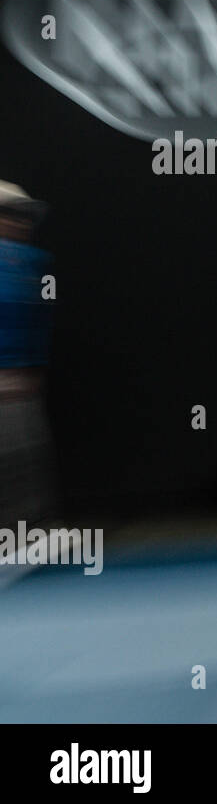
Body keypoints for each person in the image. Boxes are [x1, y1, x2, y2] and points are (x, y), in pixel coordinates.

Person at [0, 181, 56, 539]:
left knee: (27, 456)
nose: (21, 222)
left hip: (20, 389)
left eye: (25, 215)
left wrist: (30, 372)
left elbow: (37, 324)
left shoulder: (35, 264)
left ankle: (30, 534)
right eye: (11, 214)